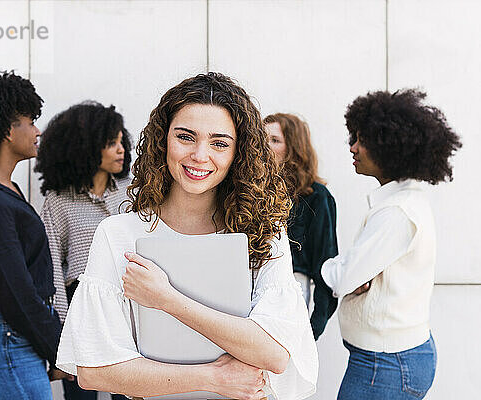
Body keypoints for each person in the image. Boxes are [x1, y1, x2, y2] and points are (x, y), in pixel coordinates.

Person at [55, 72, 318, 400]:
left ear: (239, 153)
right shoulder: (119, 234)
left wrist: (167, 299)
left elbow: (275, 353)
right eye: (185, 137)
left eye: (219, 143)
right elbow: (95, 369)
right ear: (163, 140)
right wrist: (213, 378)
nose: (199, 155)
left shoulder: (264, 233)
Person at [321, 89, 462, 399]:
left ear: (390, 147)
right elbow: (354, 274)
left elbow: (343, 278)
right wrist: (352, 271)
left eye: (361, 140)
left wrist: (328, 267)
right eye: (353, 138)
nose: (353, 148)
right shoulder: (403, 203)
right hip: (388, 360)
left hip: (383, 365)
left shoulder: (397, 213)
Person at [0, 72, 70, 399]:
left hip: (12, 341)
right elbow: (17, 291)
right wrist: (59, 350)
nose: (38, 131)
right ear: (7, 130)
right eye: (30, 122)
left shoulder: (5, 193)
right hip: (7, 343)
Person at [35, 101, 132, 400]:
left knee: (129, 389)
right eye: (110, 143)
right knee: (79, 394)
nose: (121, 150)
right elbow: (51, 268)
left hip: (127, 303)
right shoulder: (58, 202)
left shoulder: (133, 192)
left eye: (121, 142)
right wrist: (63, 332)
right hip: (81, 307)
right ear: (87, 147)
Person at [264, 113, 338, 340]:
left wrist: (314, 326)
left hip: (289, 293)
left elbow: (325, 261)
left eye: (274, 140)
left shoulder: (316, 196)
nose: (264, 147)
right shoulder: (250, 191)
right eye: (261, 138)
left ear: (293, 147)